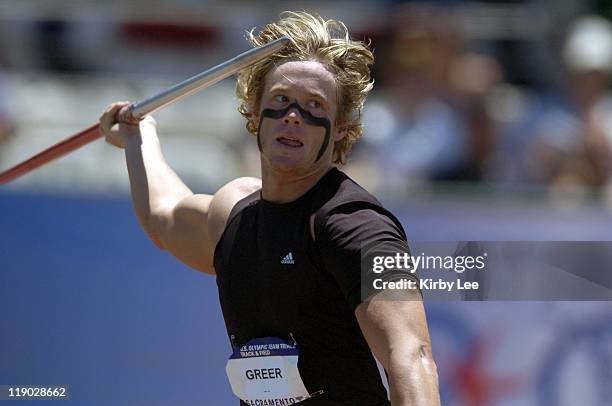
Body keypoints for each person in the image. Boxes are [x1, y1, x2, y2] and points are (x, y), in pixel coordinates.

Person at [100, 11, 439, 405]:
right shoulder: (234, 214)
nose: (293, 116)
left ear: (342, 128)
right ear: (254, 114)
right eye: (280, 100)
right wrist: (139, 137)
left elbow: (411, 356)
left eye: (314, 105)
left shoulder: (356, 226)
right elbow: (164, 216)